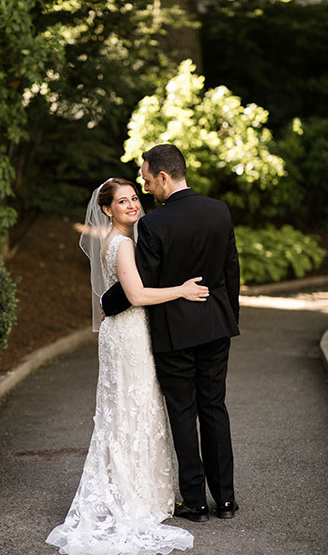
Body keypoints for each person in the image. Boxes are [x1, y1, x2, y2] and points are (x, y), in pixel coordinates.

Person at [46, 177, 210, 555]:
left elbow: (113, 296)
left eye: (135, 197)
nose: (133, 205)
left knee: (125, 411)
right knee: (131, 411)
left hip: (121, 333)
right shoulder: (121, 244)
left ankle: (133, 489)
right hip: (128, 335)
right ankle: (132, 496)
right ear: (107, 210)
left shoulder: (121, 241)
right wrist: (182, 290)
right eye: (123, 202)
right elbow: (134, 295)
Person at [101, 144, 240, 523]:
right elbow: (231, 271)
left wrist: (107, 304)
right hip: (215, 326)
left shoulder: (154, 224)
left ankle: (194, 503)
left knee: (183, 413)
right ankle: (225, 500)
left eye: (147, 181)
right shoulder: (219, 210)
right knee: (215, 408)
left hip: (173, 333)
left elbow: (140, 279)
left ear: (164, 176)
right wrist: (229, 318)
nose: (146, 190)